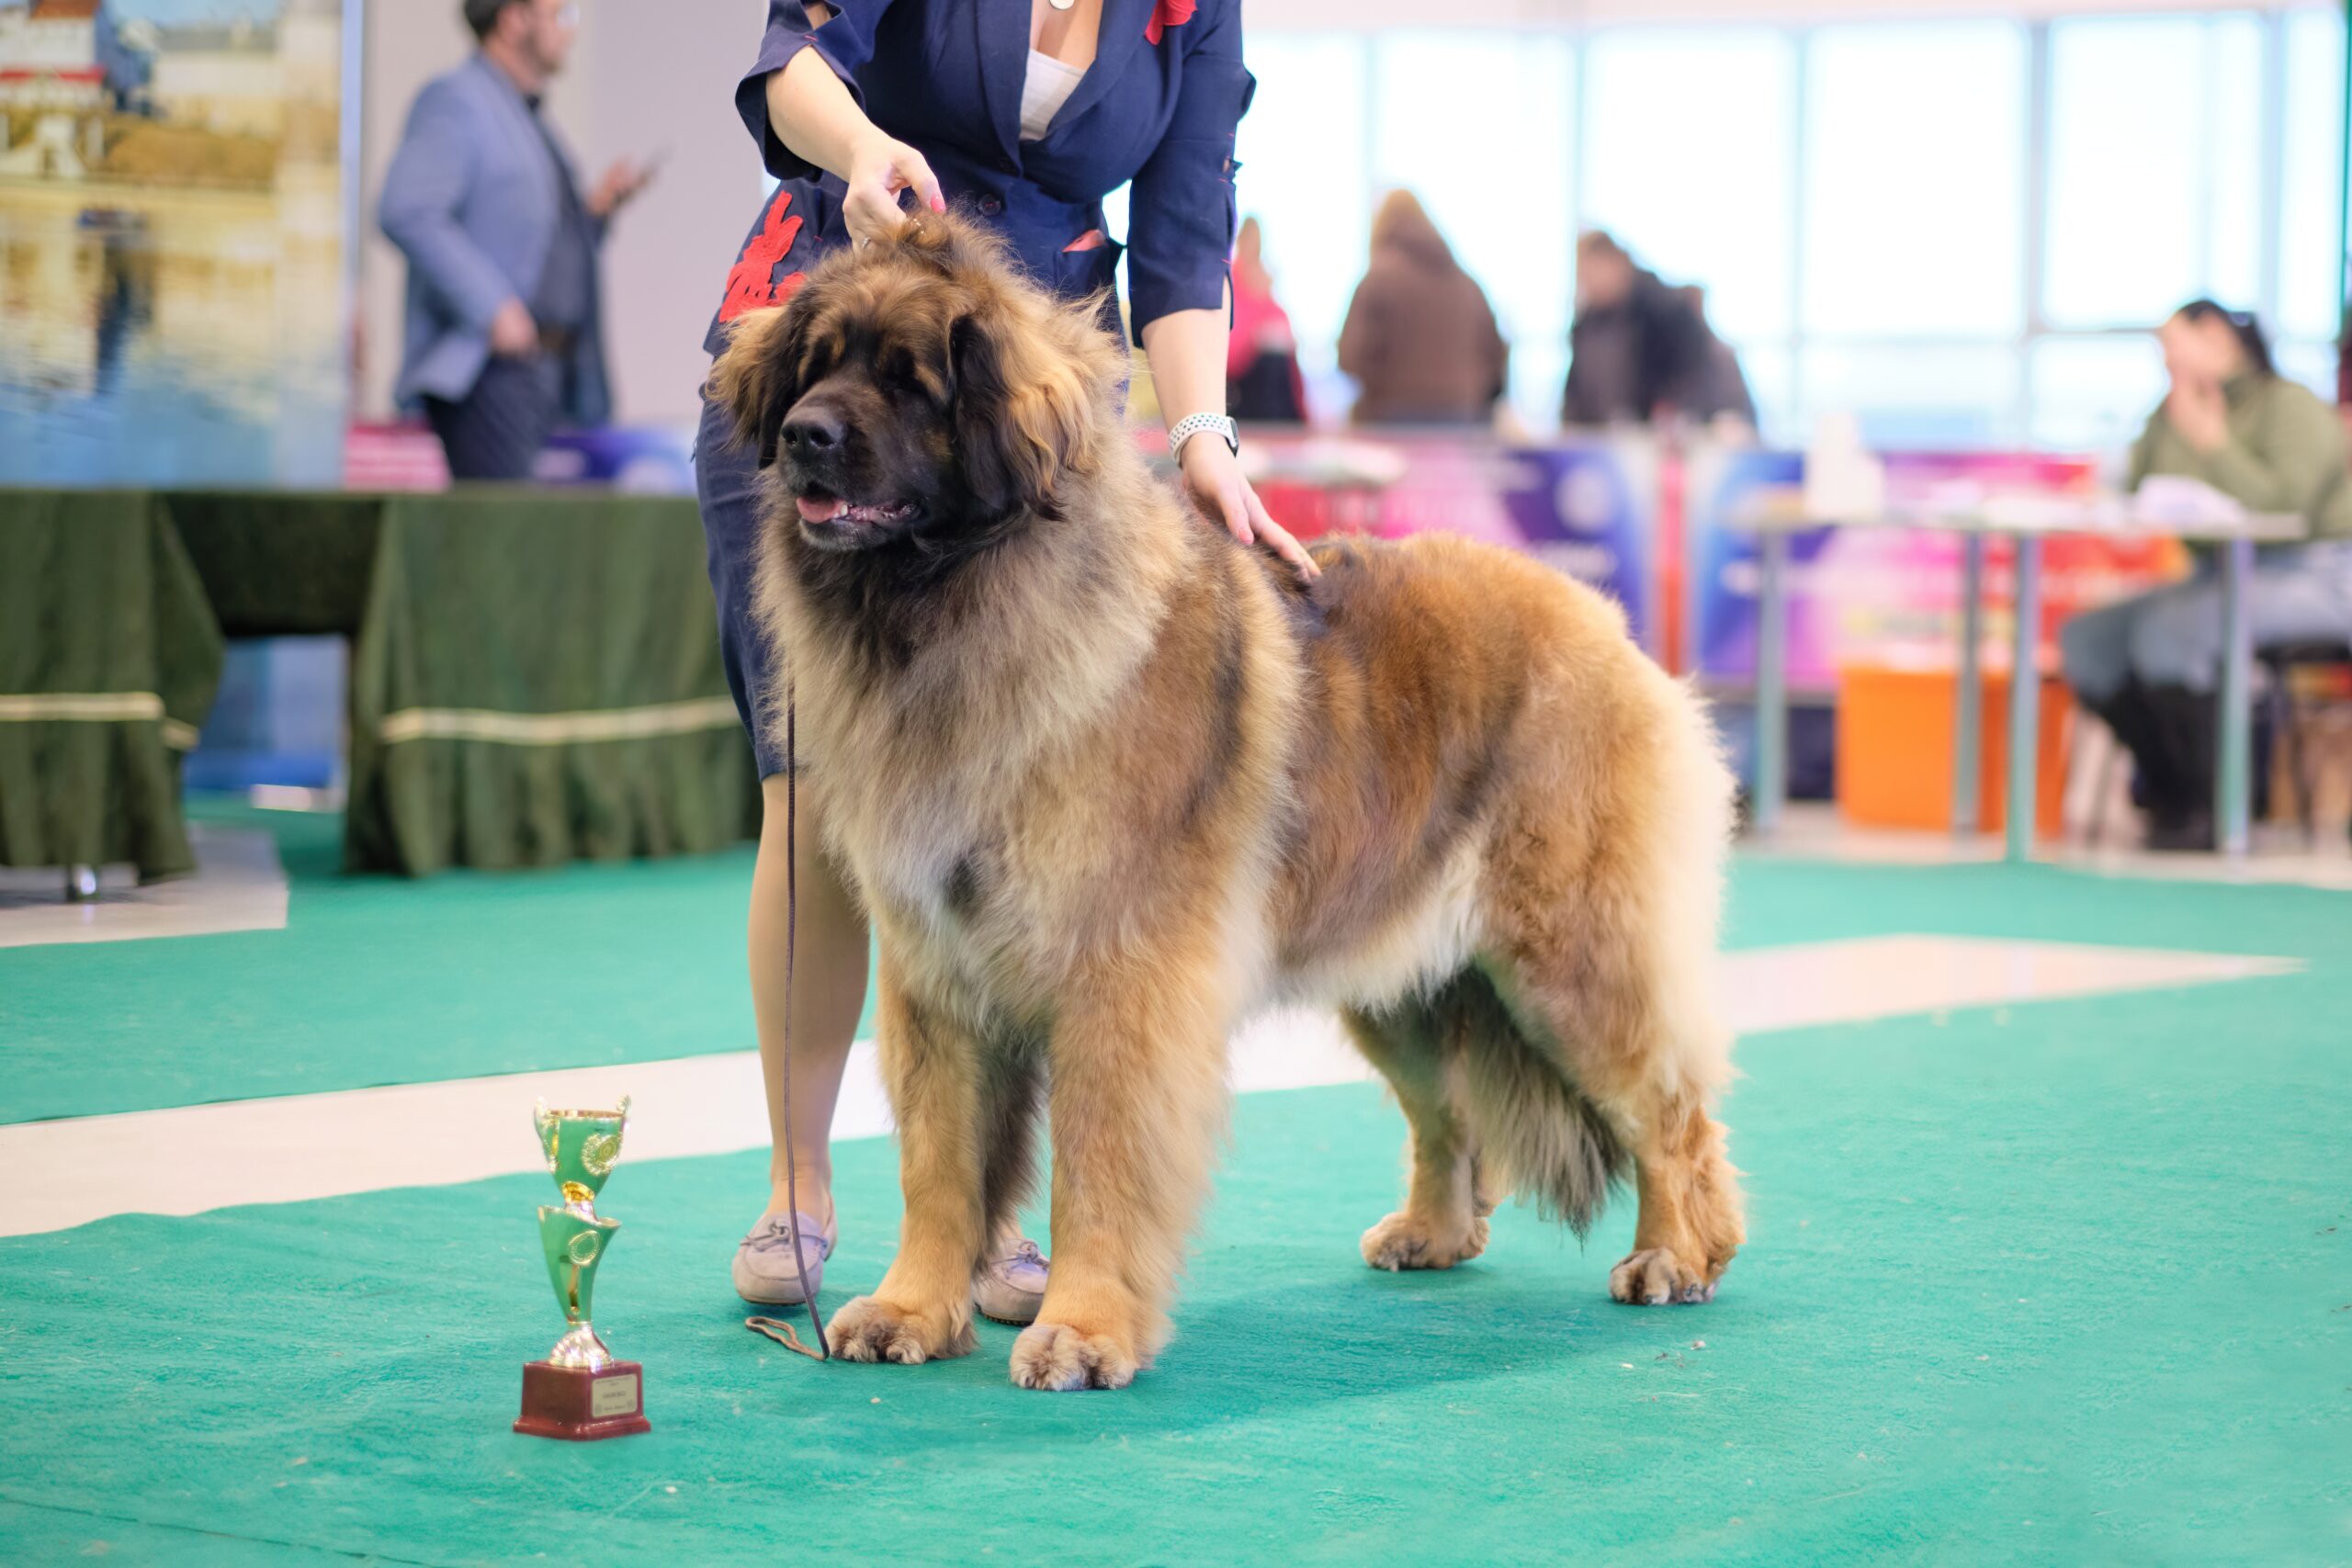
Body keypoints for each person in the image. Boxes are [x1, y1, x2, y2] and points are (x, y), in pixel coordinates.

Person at [697, 0, 1314, 1324]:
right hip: (828, 353)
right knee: (819, 803)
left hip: (1009, 424)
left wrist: (1203, 430)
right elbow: (787, 61)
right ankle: (799, 1185)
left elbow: (1189, 209)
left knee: (1050, 838)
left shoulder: (1192, 10)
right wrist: (861, 147)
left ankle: (1000, 1213)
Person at [2061, 300, 2352, 850]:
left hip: (2317, 574)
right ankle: (2171, 791)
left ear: (2216, 337)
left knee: (2173, 630)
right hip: (2215, 573)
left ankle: (2213, 806)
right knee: (2091, 640)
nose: (2165, 359)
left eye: (2173, 344)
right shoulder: (2168, 411)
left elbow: (2285, 509)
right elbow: (2134, 489)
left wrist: (2212, 442)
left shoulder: (2288, 405)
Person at [379, 0, 651, 481]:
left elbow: (535, 240)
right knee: (503, 543)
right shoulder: (456, 100)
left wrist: (594, 214)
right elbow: (406, 210)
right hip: (492, 376)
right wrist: (494, 308)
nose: (570, 31)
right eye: (560, 15)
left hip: (554, 376)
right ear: (512, 19)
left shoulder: (526, 117)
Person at [1335, 191, 1507, 427]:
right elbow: (1496, 356)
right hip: (1461, 418)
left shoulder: (1378, 279)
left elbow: (1350, 357)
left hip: (1390, 419)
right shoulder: (1467, 284)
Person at [1561, 231, 1745, 430]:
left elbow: (1688, 383)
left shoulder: (1665, 311)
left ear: (1614, 263)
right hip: (1602, 441)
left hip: (1660, 439)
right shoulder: (1587, 323)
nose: (1587, 285)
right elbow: (1575, 396)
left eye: (1590, 274)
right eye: (1582, 277)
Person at [1227, 217, 1307, 423]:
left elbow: (1292, 369)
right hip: (1242, 397)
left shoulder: (1269, 295)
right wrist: (1256, 337)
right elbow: (1229, 355)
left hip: (1276, 408)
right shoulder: (1228, 285)